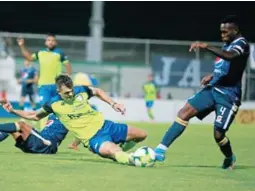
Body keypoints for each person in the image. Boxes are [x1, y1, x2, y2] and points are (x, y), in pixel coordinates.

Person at [154, 15, 250, 169]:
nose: (222, 35)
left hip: (228, 96)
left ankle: (230, 157)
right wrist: (212, 76)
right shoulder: (228, 44)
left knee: (218, 135)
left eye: (226, 32)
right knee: (184, 112)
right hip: (213, 88)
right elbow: (228, 67)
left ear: (235, 30)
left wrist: (205, 46)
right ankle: (160, 150)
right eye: (221, 32)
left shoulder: (242, 44)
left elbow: (230, 57)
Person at [2, 74, 147, 166]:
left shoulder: (81, 91)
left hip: (107, 126)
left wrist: (113, 103)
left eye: (71, 90)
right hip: (91, 139)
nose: (70, 94)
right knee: (113, 151)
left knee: (142, 135)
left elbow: (97, 91)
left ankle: (125, 149)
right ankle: (132, 160)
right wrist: (13, 110)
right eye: (66, 93)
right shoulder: (54, 105)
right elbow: (34, 115)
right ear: (58, 92)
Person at [17, 33, 72, 128]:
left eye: (52, 40)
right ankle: (44, 131)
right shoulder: (40, 53)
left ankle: (59, 128)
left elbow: (68, 67)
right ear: (45, 42)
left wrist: (66, 78)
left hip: (57, 86)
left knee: (58, 108)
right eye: (48, 40)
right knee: (44, 109)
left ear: (55, 42)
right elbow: (29, 57)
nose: (50, 42)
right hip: (43, 86)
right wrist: (22, 46)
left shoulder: (60, 53)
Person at [0, 114, 68, 154]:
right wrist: (12, 110)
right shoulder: (53, 111)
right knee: (13, 129)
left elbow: (78, 129)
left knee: (21, 125)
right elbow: (35, 114)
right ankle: (2, 134)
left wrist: (75, 143)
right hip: (39, 143)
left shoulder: (69, 117)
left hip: (47, 145)